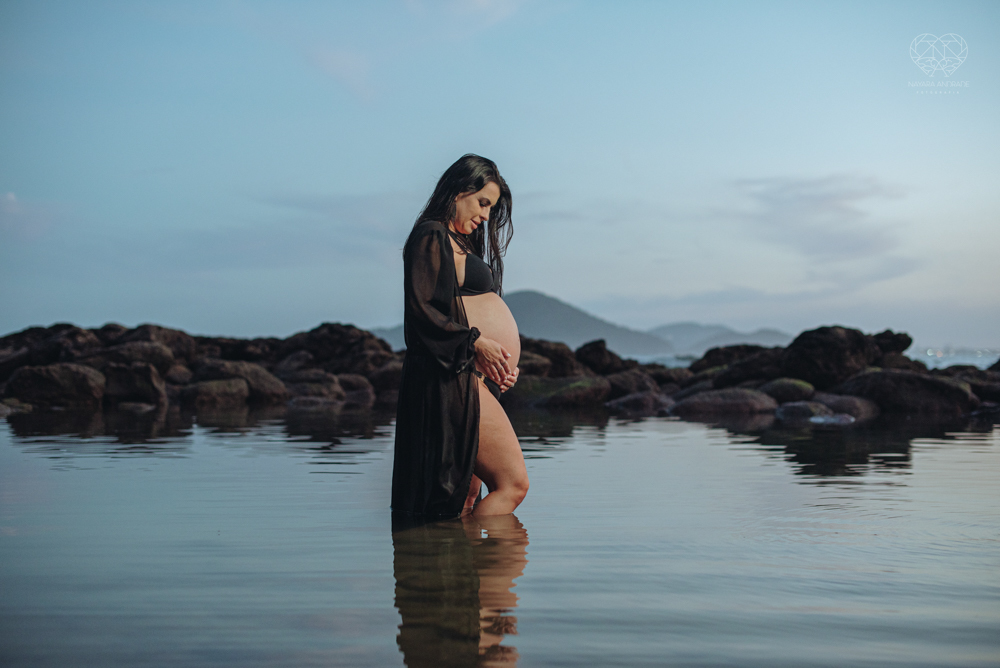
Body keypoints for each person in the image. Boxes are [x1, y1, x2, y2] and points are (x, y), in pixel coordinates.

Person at [391, 154, 529, 519]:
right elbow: (422, 312)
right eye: (483, 202)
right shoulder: (431, 234)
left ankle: (457, 572)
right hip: (453, 378)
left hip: (473, 376)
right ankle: (491, 572)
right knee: (512, 485)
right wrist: (476, 344)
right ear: (458, 190)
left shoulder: (459, 242)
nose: (486, 215)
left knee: (465, 499)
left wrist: (499, 369)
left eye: (491, 207)